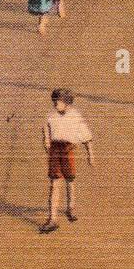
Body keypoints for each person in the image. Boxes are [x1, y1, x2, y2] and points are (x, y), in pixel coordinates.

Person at [40, 88, 95, 233]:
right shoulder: (51, 116)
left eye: (57, 101)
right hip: (55, 150)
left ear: (66, 102)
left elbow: (86, 137)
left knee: (70, 180)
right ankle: (53, 219)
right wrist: (46, 140)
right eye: (54, 101)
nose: (54, 104)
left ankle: (71, 208)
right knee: (55, 183)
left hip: (68, 149)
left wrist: (90, 154)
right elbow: (46, 128)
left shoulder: (76, 116)